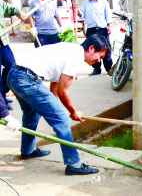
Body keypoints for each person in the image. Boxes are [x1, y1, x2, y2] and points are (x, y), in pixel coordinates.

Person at [7, 34, 110, 175]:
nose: (99, 60)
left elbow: (55, 87)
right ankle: (74, 164)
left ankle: (28, 150)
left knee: (31, 114)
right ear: (91, 48)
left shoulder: (71, 50)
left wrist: (54, 106)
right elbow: (63, 92)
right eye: (100, 56)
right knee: (62, 120)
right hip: (26, 79)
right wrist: (73, 111)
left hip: (14, 75)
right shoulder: (76, 58)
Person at [78, 0, 113, 76]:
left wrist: (109, 26)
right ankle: (97, 69)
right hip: (91, 30)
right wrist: (77, 10)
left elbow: (108, 15)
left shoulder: (103, 2)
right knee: (93, 51)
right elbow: (81, 15)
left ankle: (109, 69)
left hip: (102, 30)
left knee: (106, 50)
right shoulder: (85, 3)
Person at [0, 0, 26, 110]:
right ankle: (2, 103)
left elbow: (10, 8)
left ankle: (3, 93)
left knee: (12, 68)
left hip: (3, 42)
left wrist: (19, 13)